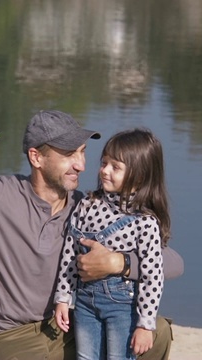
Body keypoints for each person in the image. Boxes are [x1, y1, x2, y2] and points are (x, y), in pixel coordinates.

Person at [0, 110, 175, 360]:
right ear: (36, 157)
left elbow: (171, 262)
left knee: (158, 331)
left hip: (58, 327)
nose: (81, 165)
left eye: (83, 152)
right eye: (68, 155)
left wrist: (118, 263)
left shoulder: (85, 208)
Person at [54, 128, 170, 359]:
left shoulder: (144, 221)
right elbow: (70, 252)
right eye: (104, 162)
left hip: (122, 306)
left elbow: (152, 275)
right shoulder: (88, 204)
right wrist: (63, 297)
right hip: (85, 302)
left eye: (115, 167)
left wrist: (145, 325)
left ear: (139, 176)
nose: (105, 171)